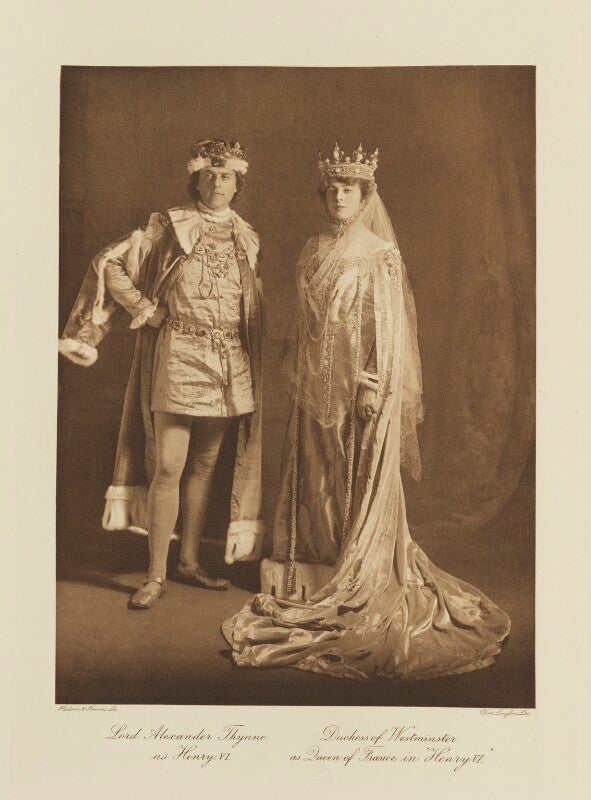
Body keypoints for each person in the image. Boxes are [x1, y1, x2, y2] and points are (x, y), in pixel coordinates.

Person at [223, 143, 511, 680]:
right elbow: (306, 324)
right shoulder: (311, 249)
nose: (338, 198)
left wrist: (373, 383)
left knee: (354, 477)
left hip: (359, 383)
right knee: (316, 476)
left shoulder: (379, 253)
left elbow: (390, 327)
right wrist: (300, 369)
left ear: (364, 195)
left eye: (348, 190)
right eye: (331, 191)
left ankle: (358, 567)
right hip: (317, 382)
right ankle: (319, 559)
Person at [59, 139, 264, 609]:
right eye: (209, 175)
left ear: (238, 183)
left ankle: (189, 560)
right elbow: (110, 264)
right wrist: (146, 309)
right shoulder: (169, 225)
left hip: (230, 361)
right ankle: (155, 574)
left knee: (206, 465)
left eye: (226, 176)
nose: (217, 183)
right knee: (169, 466)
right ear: (196, 179)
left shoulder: (247, 236)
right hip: (180, 353)